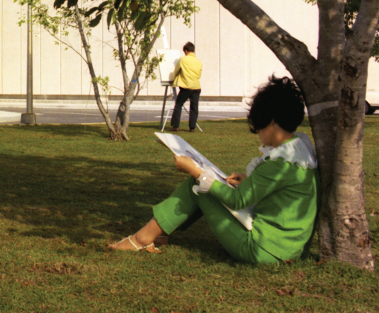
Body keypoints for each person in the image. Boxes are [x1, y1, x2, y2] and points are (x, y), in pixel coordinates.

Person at [108, 76, 318, 264]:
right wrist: (248, 180)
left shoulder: (277, 162)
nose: (258, 133)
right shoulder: (298, 150)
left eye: (259, 126)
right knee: (204, 184)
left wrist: (197, 172)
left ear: (270, 121)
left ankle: (143, 238)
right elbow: (280, 189)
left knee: (196, 185)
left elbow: (237, 201)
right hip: (290, 249)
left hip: (262, 250)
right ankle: (158, 232)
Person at [169, 42, 202, 132]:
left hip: (186, 86)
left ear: (186, 51)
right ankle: (192, 127)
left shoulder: (183, 60)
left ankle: (176, 126)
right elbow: (199, 75)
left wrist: (173, 78)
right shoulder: (198, 62)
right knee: (194, 107)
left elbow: (176, 70)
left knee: (179, 105)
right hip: (196, 87)